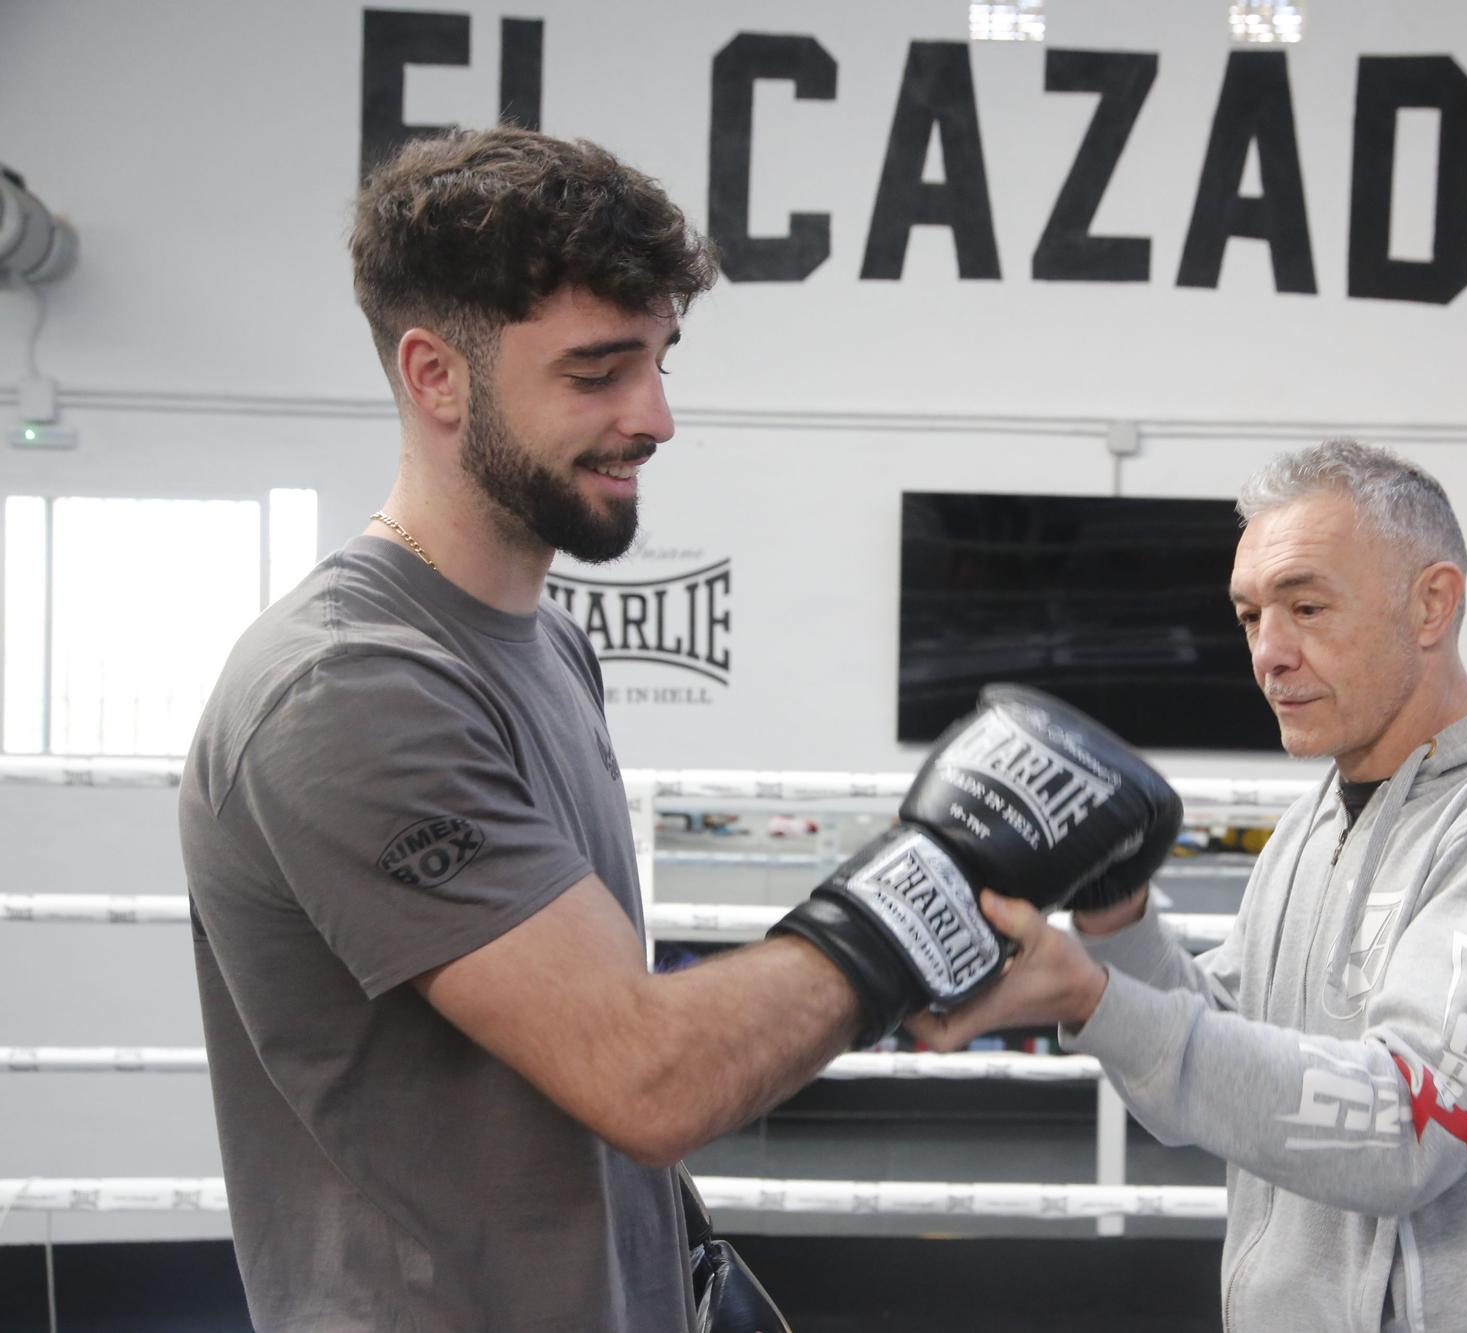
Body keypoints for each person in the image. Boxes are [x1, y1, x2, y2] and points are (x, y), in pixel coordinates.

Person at [180, 125, 1178, 1332]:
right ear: (436, 375)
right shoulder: (346, 689)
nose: (655, 416)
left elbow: (589, 1058)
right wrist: (945, 873)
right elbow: (647, 1074)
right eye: (598, 371)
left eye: (659, 359)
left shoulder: (544, 645)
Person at [911, 440, 1467, 1333]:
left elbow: (1406, 1127)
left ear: (1431, 604)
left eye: (1307, 606)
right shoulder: (1320, 819)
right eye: (1250, 617)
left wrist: (1093, 995)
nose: (1269, 653)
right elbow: (1218, 1063)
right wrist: (1116, 918)